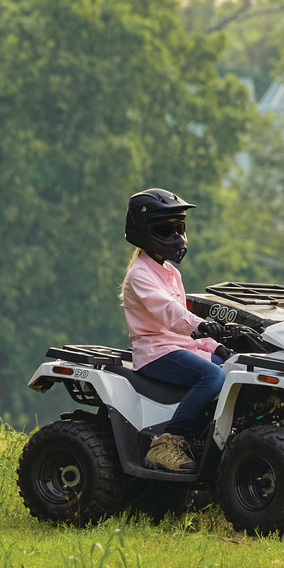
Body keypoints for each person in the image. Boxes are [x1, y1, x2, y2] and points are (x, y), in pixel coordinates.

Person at [120, 188, 242, 473]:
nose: (176, 237)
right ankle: (168, 442)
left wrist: (215, 345)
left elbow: (186, 331)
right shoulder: (140, 274)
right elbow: (170, 314)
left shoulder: (171, 273)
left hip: (180, 347)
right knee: (211, 376)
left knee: (235, 367)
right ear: (145, 233)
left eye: (178, 228)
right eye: (166, 229)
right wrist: (202, 325)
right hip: (156, 352)